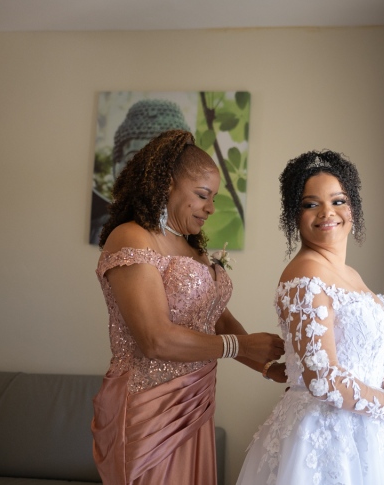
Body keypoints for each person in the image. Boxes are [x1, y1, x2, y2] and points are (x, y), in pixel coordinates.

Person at [91, 129, 286, 484]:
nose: (211, 208)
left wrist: (270, 367)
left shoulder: (193, 247)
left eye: (213, 198)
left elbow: (217, 320)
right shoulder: (132, 237)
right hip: (148, 408)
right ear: (167, 183)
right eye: (202, 195)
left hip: (195, 402)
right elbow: (155, 339)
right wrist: (243, 346)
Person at [236, 150, 384, 485]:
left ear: (353, 208)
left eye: (338, 201)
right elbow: (323, 378)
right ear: (295, 215)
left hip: (369, 434)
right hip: (325, 440)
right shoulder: (305, 274)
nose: (326, 213)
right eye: (311, 204)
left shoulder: (349, 273)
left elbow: (362, 355)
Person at [90, 98, 191, 244]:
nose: (147, 172)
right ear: (115, 167)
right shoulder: (101, 230)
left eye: (160, 164)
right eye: (133, 159)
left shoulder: (185, 237)